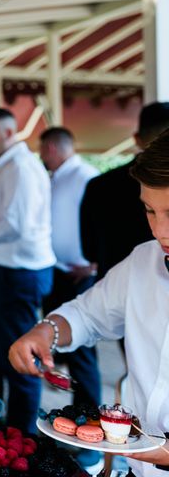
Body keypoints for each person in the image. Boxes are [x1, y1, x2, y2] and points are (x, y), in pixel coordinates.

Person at [9, 128, 169, 477]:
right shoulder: (145, 260)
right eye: (150, 211)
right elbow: (86, 315)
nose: (160, 231)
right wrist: (45, 331)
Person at [0, 108, 55, 433]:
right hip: (1, 271)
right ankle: (6, 429)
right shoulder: (5, 167)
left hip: (16, 273)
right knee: (1, 356)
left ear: (10, 133)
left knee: (21, 358)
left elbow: (15, 224)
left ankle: (24, 439)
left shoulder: (21, 167)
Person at [39, 126, 102, 470]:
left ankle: (91, 431)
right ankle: (68, 424)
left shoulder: (86, 176)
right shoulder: (55, 178)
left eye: (42, 149)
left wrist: (93, 263)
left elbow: (99, 226)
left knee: (82, 356)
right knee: (59, 350)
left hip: (79, 275)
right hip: (56, 271)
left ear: (52, 148)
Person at [80, 102, 169, 280]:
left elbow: (89, 251)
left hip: (111, 280)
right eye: (149, 210)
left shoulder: (98, 185)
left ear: (136, 138)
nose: (159, 231)